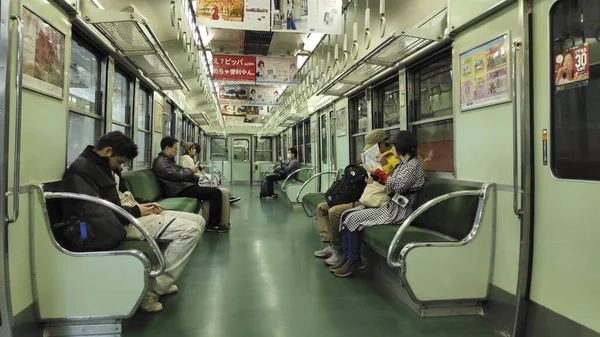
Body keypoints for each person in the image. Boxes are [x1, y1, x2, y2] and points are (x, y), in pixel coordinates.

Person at [60, 131, 204, 313]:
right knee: (189, 230)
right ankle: (151, 290)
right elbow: (98, 213)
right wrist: (137, 211)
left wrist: (144, 204)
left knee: (198, 220)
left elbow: (121, 196)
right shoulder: (82, 172)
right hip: (116, 224)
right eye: (119, 161)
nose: (119, 165)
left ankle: (162, 278)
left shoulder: (106, 168)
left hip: (128, 214)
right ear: (107, 151)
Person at [331, 131, 425, 277]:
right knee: (346, 215)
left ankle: (353, 261)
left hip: (400, 211)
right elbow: (391, 186)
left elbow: (399, 186)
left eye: (394, 146)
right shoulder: (404, 164)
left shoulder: (413, 166)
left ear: (402, 147)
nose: (391, 149)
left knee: (352, 219)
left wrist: (380, 173)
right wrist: (376, 181)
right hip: (392, 206)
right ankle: (348, 258)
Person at [314, 129, 399, 267]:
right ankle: (331, 243)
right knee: (322, 207)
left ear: (382, 143)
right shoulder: (372, 156)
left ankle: (338, 250)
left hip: (372, 198)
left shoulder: (393, 160)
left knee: (334, 212)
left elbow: (391, 182)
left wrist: (383, 165)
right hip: (361, 192)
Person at [153, 137, 228, 233]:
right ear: (167, 148)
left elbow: (180, 169)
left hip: (180, 187)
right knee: (216, 192)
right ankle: (213, 225)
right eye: (175, 148)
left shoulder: (167, 160)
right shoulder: (162, 162)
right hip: (177, 190)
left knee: (212, 190)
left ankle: (214, 222)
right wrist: (190, 170)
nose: (176, 151)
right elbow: (177, 175)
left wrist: (190, 173)